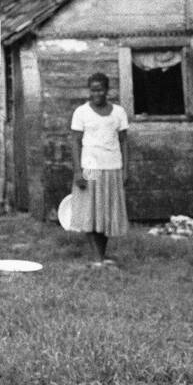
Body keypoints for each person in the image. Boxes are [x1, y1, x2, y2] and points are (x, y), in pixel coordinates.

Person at [69, 73, 129, 265]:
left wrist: (126, 169)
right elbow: (75, 142)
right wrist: (78, 171)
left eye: (100, 89)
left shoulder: (118, 112)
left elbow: (124, 142)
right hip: (90, 168)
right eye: (93, 90)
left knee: (105, 212)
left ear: (107, 90)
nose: (97, 93)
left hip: (112, 167)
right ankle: (97, 258)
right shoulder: (81, 112)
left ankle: (101, 255)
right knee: (90, 210)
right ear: (89, 91)